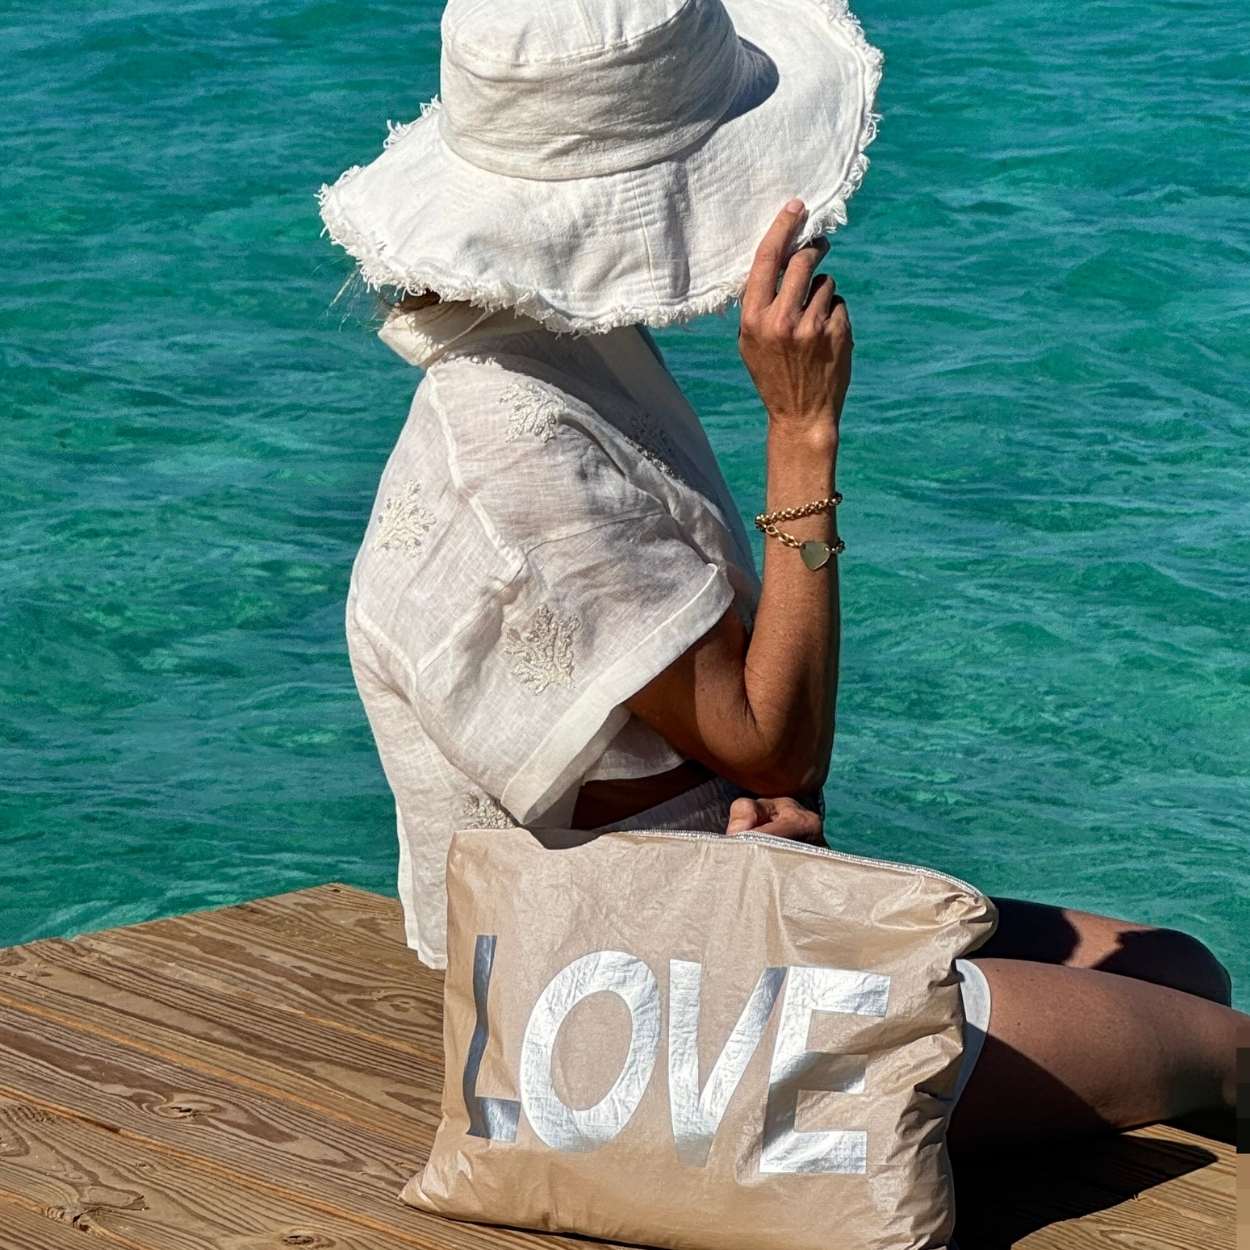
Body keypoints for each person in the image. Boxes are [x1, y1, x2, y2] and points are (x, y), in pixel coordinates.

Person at [320, 0, 1245, 1153]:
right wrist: (801, 430)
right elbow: (772, 741)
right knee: (1224, 1052)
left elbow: (665, 755)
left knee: (1179, 968)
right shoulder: (517, 441)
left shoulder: (550, 360)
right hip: (627, 1014)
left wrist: (737, 803)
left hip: (682, 913)